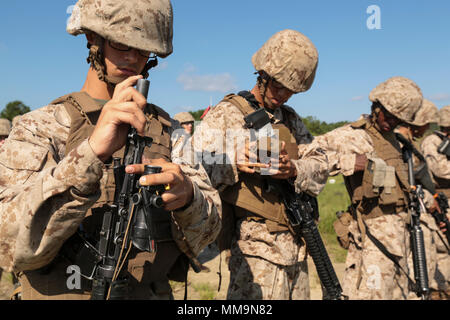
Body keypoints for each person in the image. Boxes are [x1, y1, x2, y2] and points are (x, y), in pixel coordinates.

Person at [0, 0, 221, 300]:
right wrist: (90, 154)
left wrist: (188, 198)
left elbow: (208, 237)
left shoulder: (170, 132)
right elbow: (9, 247)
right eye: (121, 43)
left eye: (143, 50)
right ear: (93, 38)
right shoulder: (40, 127)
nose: (132, 57)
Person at [191, 29, 328, 300]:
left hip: (298, 246)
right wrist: (232, 161)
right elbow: (192, 167)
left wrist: (296, 169)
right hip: (256, 253)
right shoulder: (227, 113)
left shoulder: (290, 119)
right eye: (278, 85)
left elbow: (321, 161)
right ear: (262, 75)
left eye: (291, 90)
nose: (284, 94)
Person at [309, 76, 439, 299]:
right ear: (376, 106)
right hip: (372, 239)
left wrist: (427, 199)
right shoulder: (352, 135)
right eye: (387, 114)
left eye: (397, 118)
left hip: (402, 236)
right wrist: (351, 163)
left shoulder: (397, 142)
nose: (390, 121)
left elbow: (406, 185)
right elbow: (308, 156)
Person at [421, 105, 450, 299]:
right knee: (443, 249)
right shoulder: (432, 141)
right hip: (442, 202)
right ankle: (440, 289)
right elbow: (440, 169)